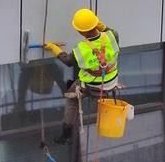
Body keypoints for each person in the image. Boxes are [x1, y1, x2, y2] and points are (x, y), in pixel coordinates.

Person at [43, 8, 120, 144]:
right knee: (77, 81)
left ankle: (66, 135)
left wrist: (54, 48)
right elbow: (109, 30)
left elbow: (67, 61)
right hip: (111, 81)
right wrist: (100, 25)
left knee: (71, 99)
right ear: (96, 24)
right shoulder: (112, 35)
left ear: (80, 32)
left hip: (90, 86)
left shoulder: (81, 49)